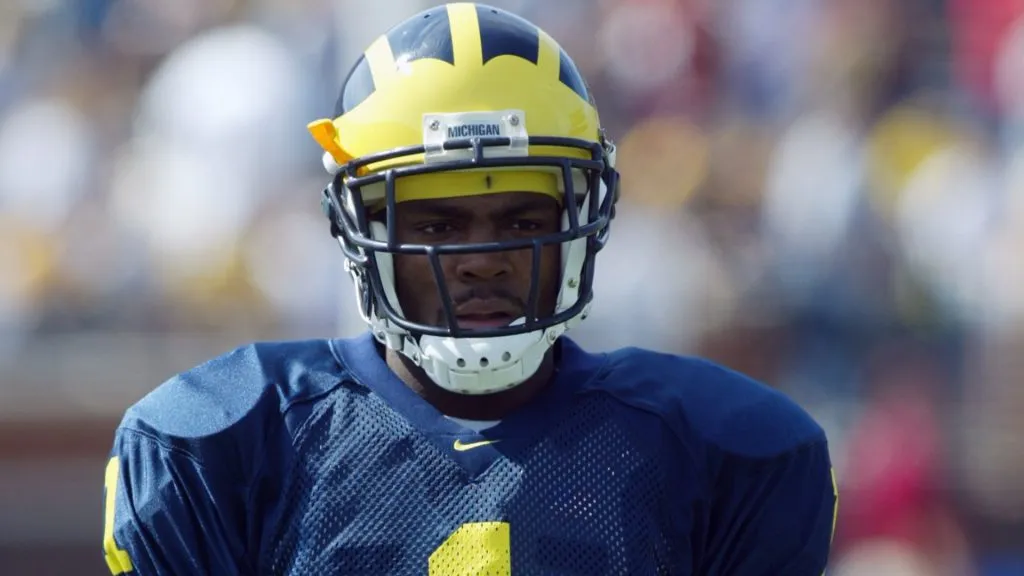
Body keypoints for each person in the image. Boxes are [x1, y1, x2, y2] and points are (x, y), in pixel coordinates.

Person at [102, 3, 838, 574]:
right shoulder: (224, 443)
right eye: (438, 225)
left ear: (584, 221)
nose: (482, 259)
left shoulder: (723, 452)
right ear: (356, 228)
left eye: (522, 219)